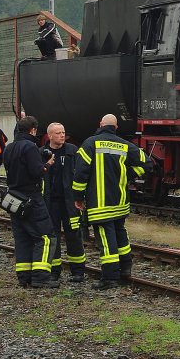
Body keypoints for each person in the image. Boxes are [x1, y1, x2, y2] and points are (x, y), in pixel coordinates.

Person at [72, 113, 153, 290]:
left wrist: (77, 197)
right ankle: (125, 270)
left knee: (106, 239)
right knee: (120, 235)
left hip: (100, 205)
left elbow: (80, 173)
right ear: (116, 127)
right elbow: (147, 163)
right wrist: (128, 174)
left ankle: (109, 278)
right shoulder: (125, 145)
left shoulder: (90, 143)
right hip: (120, 203)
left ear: (100, 124)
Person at [2, 116, 58, 289]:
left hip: (14, 199)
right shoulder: (30, 146)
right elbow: (36, 171)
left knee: (23, 238)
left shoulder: (9, 148)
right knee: (46, 237)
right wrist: (47, 164)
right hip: (31, 199)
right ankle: (41, 277)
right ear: (33, 130)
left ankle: (24, 277)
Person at [42, 121, 86, 283]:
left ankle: (78, 271)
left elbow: (81, 175)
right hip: (50, 203)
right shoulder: (42, 153)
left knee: (74, 235)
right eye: (58, 133)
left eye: (63, 132)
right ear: (50, 136)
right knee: (52, 236)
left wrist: (80, 197)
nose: (62, 135)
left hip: (70, 203)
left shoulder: (72, 151)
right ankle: (54, 271)